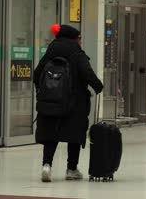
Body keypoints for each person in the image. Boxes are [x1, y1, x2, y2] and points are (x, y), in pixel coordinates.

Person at [33, 24, 103, 182]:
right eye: (79, 38)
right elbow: (87, 73)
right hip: (74, 102)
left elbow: (37, 74)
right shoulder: (77, 53)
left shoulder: (50, 52)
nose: (80, 41)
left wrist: (43, 92)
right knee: (74, 134)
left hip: (50, 102)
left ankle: (47, 165)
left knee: (51, 133)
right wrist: (98, 86)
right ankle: (71, 169)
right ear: (74, 38)